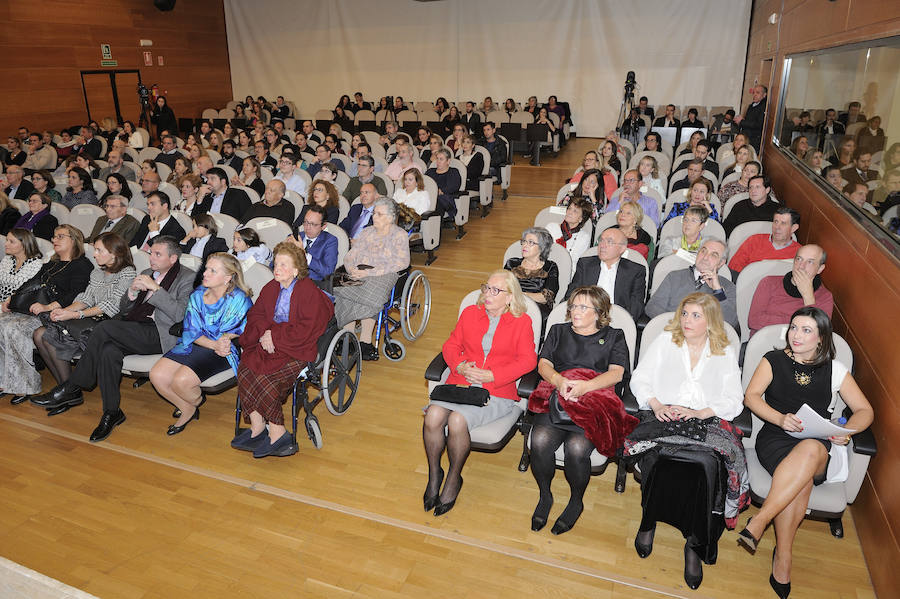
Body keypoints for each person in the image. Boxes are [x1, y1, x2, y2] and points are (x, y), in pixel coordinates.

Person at [741, 307, 873, 598]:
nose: (796, 335)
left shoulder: (835, 370)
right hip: (776, 436)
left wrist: (845, 431)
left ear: (821, 338)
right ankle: (784, 558)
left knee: (812, 449)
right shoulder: (773, 360)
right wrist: (779, 418)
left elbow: (865, 410)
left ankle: (761, 519)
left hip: (818, 442)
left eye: (806, 330)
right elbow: (751, 397)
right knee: (799, 484)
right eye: (793, 328)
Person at [625, 292, 747, 590]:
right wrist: (655, 405)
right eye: (685, 314)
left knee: (707, 465)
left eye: (696, 316)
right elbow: (640, 378)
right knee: (657, 457)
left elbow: (734, 399)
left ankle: (694, 543)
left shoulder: (724, 351)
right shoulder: (666, 341)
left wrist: (699, 412)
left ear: (711, 322)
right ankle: (648, 521)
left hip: (704, 421)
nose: (687, 321)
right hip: (663, 416)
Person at [31, 236, 195, 441]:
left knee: (106, 327)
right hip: (135, 328)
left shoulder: (187, 277)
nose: (151, 258)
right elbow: (125, 309)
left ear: (172, 258)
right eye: (151, 252)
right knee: (108, 351)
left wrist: (156, 289)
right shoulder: (146, 273)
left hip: (161, 333)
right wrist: (133, 292)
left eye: (157, 254)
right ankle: (111, 412)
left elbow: (181, 315)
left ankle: (74, 385)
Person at [422, 270, 536, 515]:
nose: (487, 294)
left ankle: (453, 477)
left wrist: (493, 374)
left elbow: (528, 361)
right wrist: (460, 364)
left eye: (496, 290)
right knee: (432, 416)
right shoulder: (470, 314)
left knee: (456, 420)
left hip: (495, 390)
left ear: (509, 297)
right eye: (486, 288)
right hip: (461, 383)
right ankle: (434, 475)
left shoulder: (522, 321)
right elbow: (451, 345)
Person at [527, 285, 635, 533]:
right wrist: (559, 382)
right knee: (540, 441)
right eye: (574, 305)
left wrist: (585, 387)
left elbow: (617, 374)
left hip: (592, 400)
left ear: (598, 312)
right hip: (559, 394)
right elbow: (543, 364)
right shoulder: (558, 331)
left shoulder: (614, 336)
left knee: (576, 448)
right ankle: (545, 496)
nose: (575, 310)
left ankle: (576, 501)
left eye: (583, 307)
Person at [230, 242, 334, 457]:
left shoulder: (308, 292)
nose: (277, 268)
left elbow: (307, 328)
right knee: (246, 369)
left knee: (266, 379)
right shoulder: (271, 287)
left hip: (296, 347)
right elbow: (256, 314)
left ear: (296, 270)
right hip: (268, 342)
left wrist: (275, 336)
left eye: (284, 265)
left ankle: (278, 432)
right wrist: (262, 333)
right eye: (276, 263)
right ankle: (258, 427)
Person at [149, 253, 252, 435]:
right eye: (206, 269)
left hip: (224, 348)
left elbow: (241, 331)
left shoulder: (239, 299)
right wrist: (211, 344)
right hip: (197, 342)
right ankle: (189, 406)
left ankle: (190, 401)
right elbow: (190, 330)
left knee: (180, 381)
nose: (205, 273)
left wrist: (220, 343)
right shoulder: (197, 295)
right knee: (157, 375)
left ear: (228, 277)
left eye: (213, 270)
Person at [29, 232, 135, 399]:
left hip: (110, 326)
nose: (94, 254)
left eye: (99, 250)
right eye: (95, 250)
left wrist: (75, 315)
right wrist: (66, 311)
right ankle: (67, 388)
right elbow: (86, 298)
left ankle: (68, 392)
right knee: (40, 334)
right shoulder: (97, 273)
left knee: (48, 335)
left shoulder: (127, 273)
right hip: (90, 321)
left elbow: (111, 306)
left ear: (114, 253)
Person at [0, 225, 92, 401]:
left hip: (56, 314)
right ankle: (6, 380)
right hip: (38, 311)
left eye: (60, 237)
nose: (54, 240)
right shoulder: (52, 264)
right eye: (54, 237)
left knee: (12, 329)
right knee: (2, 324)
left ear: (73, 240)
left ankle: (25, 385)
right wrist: (12, 297)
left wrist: (48, 307)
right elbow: (30, 283)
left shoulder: (82, 265)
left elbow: (76, 293)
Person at [333, 198, 410, 360]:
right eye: (374, 213)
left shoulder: (399, 235)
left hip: (384, 273)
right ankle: (349, 337)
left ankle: (365, 341)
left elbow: (402, 262)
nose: (374, 216)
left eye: (379, 214)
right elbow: (350, 255)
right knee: (341, 288)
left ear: (390, 217)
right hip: (360, 271)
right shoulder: (367, 232)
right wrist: (351, 269)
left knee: (369, 293)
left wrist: (371, 272)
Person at [646, 238, 737, 328]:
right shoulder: (674, 277)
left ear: (721, 263)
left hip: (707, 338)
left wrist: (718, 291)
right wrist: (679, 325)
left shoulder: (728, 287)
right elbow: (653, 307)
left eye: (713, 255)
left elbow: (730, 322)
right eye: (703, 251)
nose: (705, 257)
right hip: (672, 332)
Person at [748, 244, 834, 337]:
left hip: (800, 349)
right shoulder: (769, 283)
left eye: (810, 262)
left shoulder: (825, 297)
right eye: (799, 259)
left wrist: (808, 297)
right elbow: (754, 321)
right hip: (763, 342)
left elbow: (820, 332)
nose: (801, 266)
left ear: (820, 269)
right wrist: (798, 323)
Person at [566, 228, 646, 321]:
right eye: (601, 240)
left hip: (617, 321)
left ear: (622, 248)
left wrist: (623, 321)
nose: (602, 245)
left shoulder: (635, 271)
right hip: (585, 317)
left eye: (609, 242)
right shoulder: (585, 265)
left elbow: (636, 305)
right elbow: (571, 294)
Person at [504, 228, 559, 324]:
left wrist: (521, 296)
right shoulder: (512, 263)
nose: (525, 245)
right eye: (524, 241)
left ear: (542, 247)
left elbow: (546, 297)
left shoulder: (550, 267)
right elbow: (502, 287)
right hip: (510, 305)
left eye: (531, 243)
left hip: (536, 310)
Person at [729, 207, 801, 273]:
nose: (777, 227)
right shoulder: (754, 240)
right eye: (776, 222)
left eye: (783, 223)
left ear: (793, 228)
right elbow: (734, 267)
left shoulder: (800, 252)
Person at [288, 203, 338, 286]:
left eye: (313, 224)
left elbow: (328, 273)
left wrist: (304, 255)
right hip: (288, 281)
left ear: (323, 226)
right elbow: (274, 264)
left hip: (312, 285)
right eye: (306, 222)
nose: (307, 227)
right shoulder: (295, 237)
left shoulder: (330, 241)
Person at [179, 213, 229, 286]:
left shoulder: (218, 242)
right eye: (193, 226)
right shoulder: (191, 241)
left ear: (207, 227)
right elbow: (178, 255)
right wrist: (186, 239)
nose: (195, 229)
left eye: (198, 226)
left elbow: (219, 263)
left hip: (202, 276)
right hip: (184, 273)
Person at [0, 228, 43, 305]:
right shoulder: (7, 259)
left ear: (24, 244)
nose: (6, 244)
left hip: (17, 307)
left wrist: (8, 303)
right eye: (7, 240)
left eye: (11, 242)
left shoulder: (36, 265)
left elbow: (29, 292)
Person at [544, 198, 592, 266]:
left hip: (567, 271)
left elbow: (575, 262)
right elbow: (542, 251)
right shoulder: (551, 227)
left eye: (575, 211)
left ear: (581, 218)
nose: (570, 212)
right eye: (569, 208)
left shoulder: (584, 237)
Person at [425, 149, 462, 221]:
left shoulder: (453, 171)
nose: (438, 161)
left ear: (448, 161)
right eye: (437, 159)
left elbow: (454, 186)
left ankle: (435, 229)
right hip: (428, 197)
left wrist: (439, 191)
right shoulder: (430, 171)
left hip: (444, 198)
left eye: (441, 159)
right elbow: (423, 183)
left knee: (437, 202)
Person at [735, 85, 767, 151]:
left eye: (757, 93)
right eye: (754, 93)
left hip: (754, 140)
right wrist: (741, 121)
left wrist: (741, 121)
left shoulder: (764, 107)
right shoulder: (752, 105)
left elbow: (759, 124)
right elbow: (749, 121)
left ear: (764, 95)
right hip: (747, 136)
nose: (754, 95)